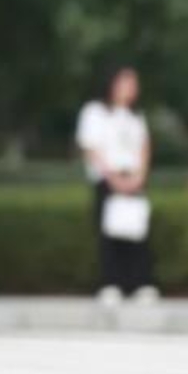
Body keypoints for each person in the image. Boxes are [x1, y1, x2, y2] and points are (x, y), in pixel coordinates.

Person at [76, 66, 157, 305]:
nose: (131, 88)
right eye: (125, 82)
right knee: (109, 234)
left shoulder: (136, 117)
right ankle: (111, 283)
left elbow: (144, 147)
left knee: (137, 232)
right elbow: (91, 147)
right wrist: (113, 178)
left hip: (134, 178)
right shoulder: (95, 112)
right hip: (107, 179)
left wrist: (139, 176)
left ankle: (140, 283)